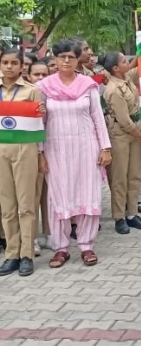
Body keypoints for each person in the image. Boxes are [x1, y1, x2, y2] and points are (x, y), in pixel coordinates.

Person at [37, 39, 112, 268]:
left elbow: (98, 118)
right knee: (58, 196)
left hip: (86, 146)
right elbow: (39, 122)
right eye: (62, 57)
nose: (66, 61)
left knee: (87, 193)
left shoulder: (87, 85)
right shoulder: (43, 87)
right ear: (55, 59)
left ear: (77, 58)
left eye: (70, 56)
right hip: (55, 148)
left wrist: (105, 148)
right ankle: (60, 248)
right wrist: (40, 153)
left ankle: (86, 245)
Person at [0, 48, 42, 277]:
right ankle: (11, 254)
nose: (9, 67)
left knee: (26, 205)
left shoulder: (32, 91)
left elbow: (40, 124)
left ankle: (27, 254)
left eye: (13, 63)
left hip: (26, 149)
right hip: (1, 150)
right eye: (5, 62)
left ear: (21, 66)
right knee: (7, 206)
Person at [101, 52, 141, 234]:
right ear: (115, 68)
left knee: (134, 174)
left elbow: (138, 67)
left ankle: (132, 213)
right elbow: (123, 121)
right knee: (119, 178)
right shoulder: (113, 89)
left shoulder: (126, 78)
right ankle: (119, 217)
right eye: (124, 61)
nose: (127, 63)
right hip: (120, 134)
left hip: (134, 131)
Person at [27, 61, 51, 256]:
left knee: (49, 196)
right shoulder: (23, 95)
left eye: (44, 75)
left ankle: (50, 234)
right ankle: (31, 238)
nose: (41, 79)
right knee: (32, 197)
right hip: (31, 152)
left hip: (51, 150)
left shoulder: (54, 94)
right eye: (37, 75)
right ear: (28, 76)